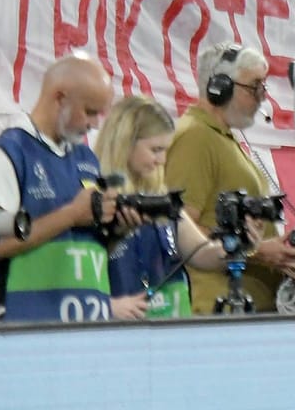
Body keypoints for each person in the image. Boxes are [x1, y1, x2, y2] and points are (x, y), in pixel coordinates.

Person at [0, 55, 135, 323]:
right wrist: (71, 214)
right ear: (60, 98)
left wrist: (118, 230)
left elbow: (86, 245)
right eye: (90, 111)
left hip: (86, 327)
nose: (95, 124)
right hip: (23, 326)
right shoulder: (6, 155)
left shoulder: (87, 159)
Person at [164, 44, 295, 313]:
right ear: (219, 88)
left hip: (245, 311)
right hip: (217, 310)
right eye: (254, 86)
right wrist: (258, 251)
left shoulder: (221, 139)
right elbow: (178, 230)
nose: (261, 97)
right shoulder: (196, 138)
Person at [93, 95, 225, 320]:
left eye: (165, 150)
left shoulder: (162, 201)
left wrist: (239, 242)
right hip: (118, 334)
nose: (162, 160)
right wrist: (107, 306)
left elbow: (203, 253)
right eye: (155, 150)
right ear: (126, 142)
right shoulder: (93, 200)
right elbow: (70, 274)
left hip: (172, 331)